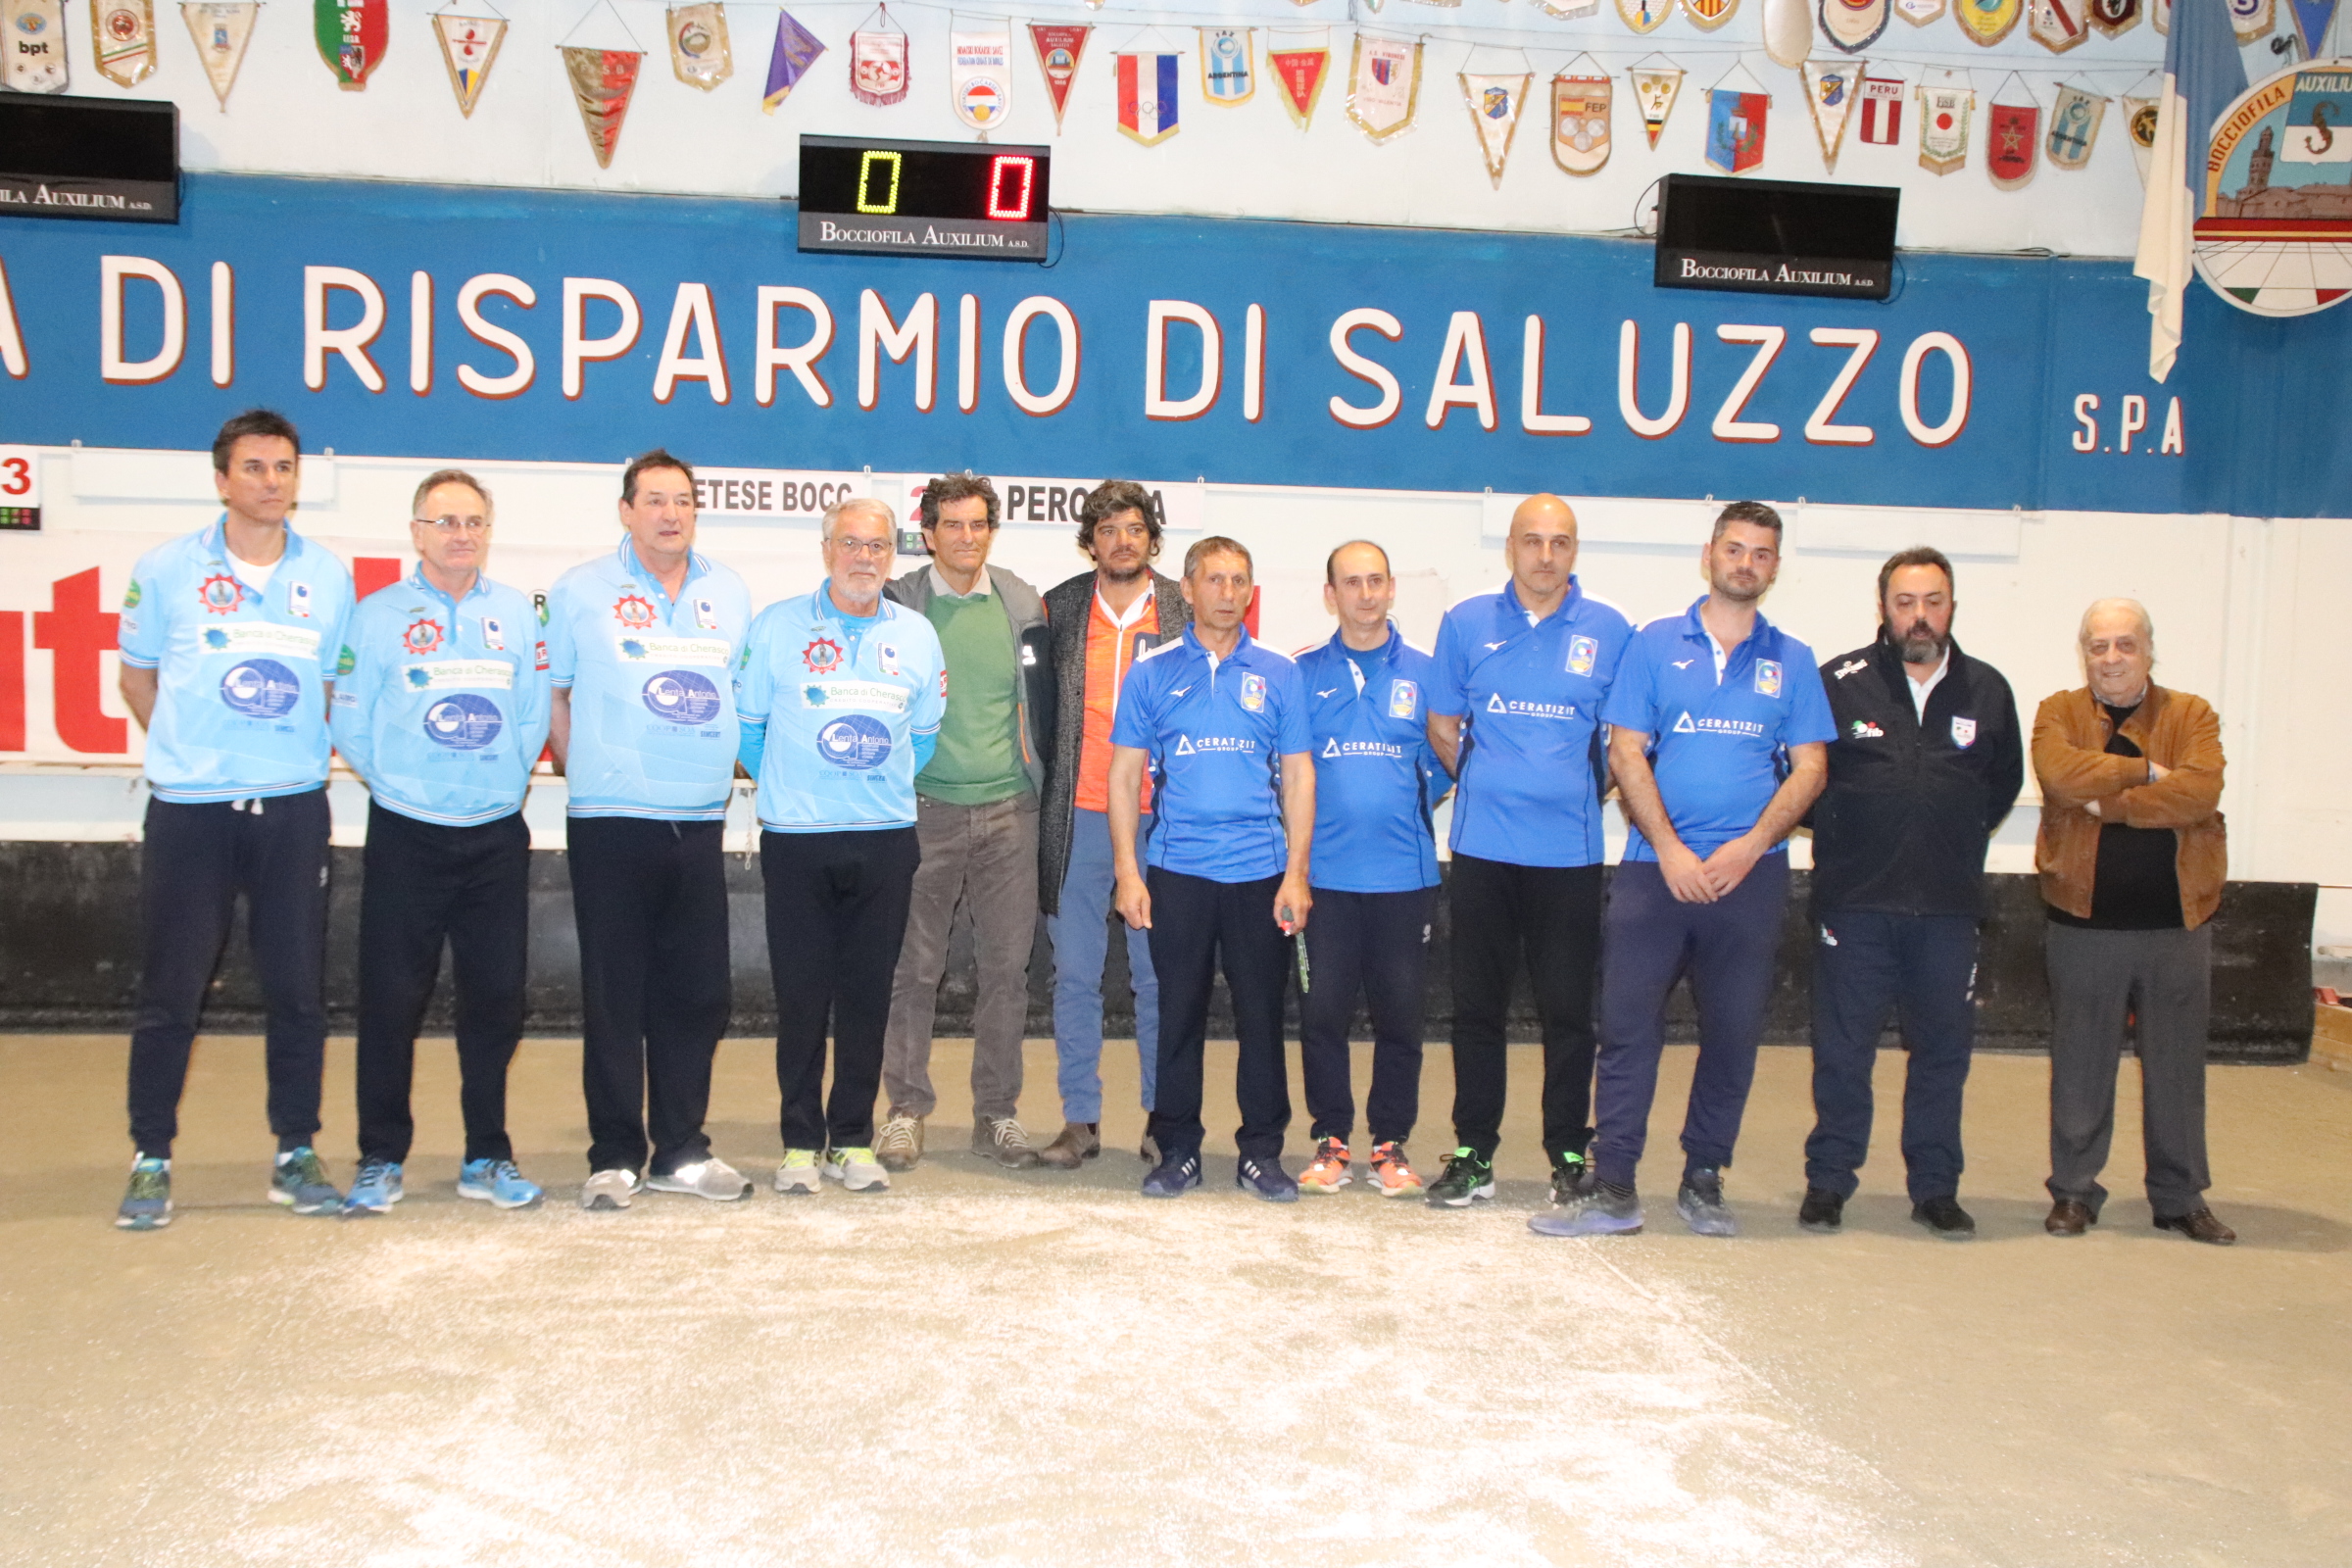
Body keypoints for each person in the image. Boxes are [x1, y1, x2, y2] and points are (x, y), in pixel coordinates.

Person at [1537, 501, 1834, 1241]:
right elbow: (1627, 750)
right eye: (1735, 549)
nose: (1746, 564)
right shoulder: (1652, 644)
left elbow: (1811, 767)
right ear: (1709, 556)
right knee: (1629, 1030)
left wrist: (1750, 845)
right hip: (1652, 874)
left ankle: (1705, 1177)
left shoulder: (1792, 659)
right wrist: (1669, 847)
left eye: (1762, 554)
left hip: (1752, 877)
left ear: (1774, 566)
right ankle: (1613, 1186)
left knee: (1732, 1033)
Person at [112, 409, 357, 1231]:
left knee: (296, 990)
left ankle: (296, 1150)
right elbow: (138, 682)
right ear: (222, 480)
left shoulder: (327, 576)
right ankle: (151, 1156)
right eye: (253, 468)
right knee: (171, 992)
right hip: (191, 813)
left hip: (291, 809)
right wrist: (198, 759)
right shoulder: (166, 570)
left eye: (283, 467)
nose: (270, 482)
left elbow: (329, 690)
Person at [332, 470, 552, 1217]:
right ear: (417, 532)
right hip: (406, 832)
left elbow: (528, 718)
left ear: (488, 531)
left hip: (494, 835)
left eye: (474, 522)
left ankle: (487, 1152)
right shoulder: (376, 616)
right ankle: (380, 1155)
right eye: (446, 521)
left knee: (497, 999)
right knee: (392, 1000)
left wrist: (490, 783)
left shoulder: (517, 615)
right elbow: (351, 724)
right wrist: (406, 787)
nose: (461, 534)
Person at [546, 449, 754, 1211]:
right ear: (627, 511)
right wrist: (596, 773)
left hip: (699, 822)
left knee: (698, 994)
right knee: (614, 995)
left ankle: (681, 1149)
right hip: (609, 821)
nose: (671, 513)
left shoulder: (728, 593)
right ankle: (613, 1154)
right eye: (656, 500)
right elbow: (555, 698)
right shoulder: (579, 592)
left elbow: (735, 698)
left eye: (684, 500)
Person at [1800, 547, 2021, 1240]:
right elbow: (1804, 780)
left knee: (1943, 1055)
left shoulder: (1988, 690)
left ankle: (1935, 1188)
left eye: (1932, 601)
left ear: (1951, 607)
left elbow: (2000, 787)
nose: (1919, 617)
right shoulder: (1840, 682)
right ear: (1883, 608)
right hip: (1856, 904)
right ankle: (1829, 1181)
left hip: (1947, 913)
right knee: (1843, 1054)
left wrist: (1943, 840)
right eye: (1905, 602)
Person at [1422, 494, 1633, 1209]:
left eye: (1561, 543)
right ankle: (1474, 1150)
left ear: (1575, 552)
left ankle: (1568, 1149)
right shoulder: (1466, 624)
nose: (1546, 556)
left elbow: (1623, 743)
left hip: (1568, 859)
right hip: (1482, 850)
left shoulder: (1610, 630)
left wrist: (1568, 788)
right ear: (1510, 547)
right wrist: (1490, 781)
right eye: (1533, 541)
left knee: (1568, 1012)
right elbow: (1443, 726)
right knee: (1477, 1010)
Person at [738, 497, 946, 1196]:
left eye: (879, 546)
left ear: (894, 554)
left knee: (867, 997)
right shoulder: (777, 627)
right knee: (801, 997)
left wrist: (867, 788)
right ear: (827, 549)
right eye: (851, 543)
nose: (865, 557)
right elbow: (750, 728)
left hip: (885, 839)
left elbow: (921, 737)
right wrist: (802, 789)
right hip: (798, 840)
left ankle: (851, 1137)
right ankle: (800, 1142)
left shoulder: (917, 636)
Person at [1108, 536, 1314, 1200]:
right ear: (1188, 590)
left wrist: (1297, 873)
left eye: (1239, 581)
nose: (1228, 593)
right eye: (1215, 580)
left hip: (1261, 874)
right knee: (1180, 1017)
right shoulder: (1151, 672)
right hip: (1179, 873)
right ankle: (1178, 1150)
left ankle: (1261, 1152)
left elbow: (1299, 777)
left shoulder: (1281, 673)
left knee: (1261, 1018)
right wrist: (1128, 872)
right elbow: (1124, 776)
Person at [2031, 600, 2233, 1245]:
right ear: (2083, 652)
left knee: (2176, 1066)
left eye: (2125, 645)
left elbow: (2200, 791)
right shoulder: (2057, 713)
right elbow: (2060, 777)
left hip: (2179, 924)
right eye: (2098, 646)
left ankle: (2179, 1196)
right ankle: (2073, 1192)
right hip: (2083, 924)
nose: (2111, 658)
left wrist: (2107, 805)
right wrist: (2145, 771)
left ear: (2149, 650)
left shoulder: (2191, 715)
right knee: (2080, 1064)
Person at [875, 473, 1054, 1172]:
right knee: (914, 969)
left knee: (1007, 971)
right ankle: (906, 1110)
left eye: (978, 524)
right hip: (923, 812)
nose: (966, 537)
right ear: (927, 534)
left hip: (1012, 811)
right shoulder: (898, 604)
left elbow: (1041, 707)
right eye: (952, 525)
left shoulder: (1019, 601)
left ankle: (996, 1114)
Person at [1035, 481, 1192, 1168]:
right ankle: (1080, 1121)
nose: (1121, 540)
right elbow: (1038, 714)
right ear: (1089, 541)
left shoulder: (1186, 609)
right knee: (1074, 975)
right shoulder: (1061, 607)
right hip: (1080, 819)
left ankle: (1163, 1118)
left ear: (1152, 540)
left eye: (1134, 528)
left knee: (1159, 979)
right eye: (1107, 529)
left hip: (1167, 819)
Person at [1293, 541, 1446, 1199]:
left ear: (1391, 589)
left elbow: (1441, 765)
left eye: (1375, 581)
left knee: (1400, 1017)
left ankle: (1389, 1144)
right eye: (1351, 583)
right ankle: (1331, 1140)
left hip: (1404, 881)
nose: (1364, 594)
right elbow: (1290, 771)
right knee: (1322, 1012)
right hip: (1323, 878)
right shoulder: (1299, 674)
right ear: (1330, 594)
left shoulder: (1430, 673)